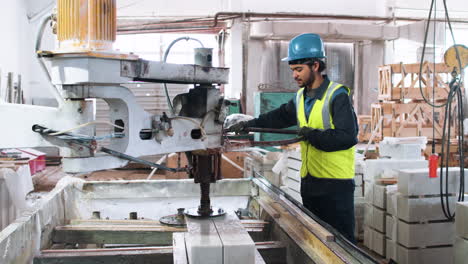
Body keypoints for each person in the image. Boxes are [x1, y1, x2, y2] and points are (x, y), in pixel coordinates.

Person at [229, 33, 358, 243]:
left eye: (299, 69)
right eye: (293, 70)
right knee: (316, 242)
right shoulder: (301, 96)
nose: (295, 75)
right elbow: (279, 117)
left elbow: (347, 137)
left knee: (341, 245)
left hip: (335, 186)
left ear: (315, 65)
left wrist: (312, 135)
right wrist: (249, 123)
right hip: (310, 182)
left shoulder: (337, 96)